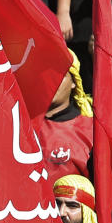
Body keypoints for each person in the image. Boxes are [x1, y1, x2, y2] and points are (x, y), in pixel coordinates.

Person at [36, 53, 94, 181]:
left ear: (74, 81)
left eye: (57, 74)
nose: (50, 81)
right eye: (44, 74)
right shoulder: (19, 124)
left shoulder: (91, 131)